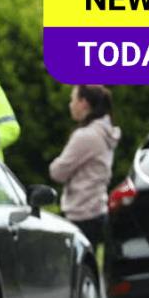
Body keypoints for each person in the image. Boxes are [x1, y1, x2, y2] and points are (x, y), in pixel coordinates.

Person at [49, 85, 120, 249]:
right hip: (97, 209)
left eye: (72, 100)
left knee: (77, 270)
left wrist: (57, 164)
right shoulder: (105, 131)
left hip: (81, 213)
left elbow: (57, 172)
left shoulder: (86, 136)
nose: (70, 105)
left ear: (84, 103)